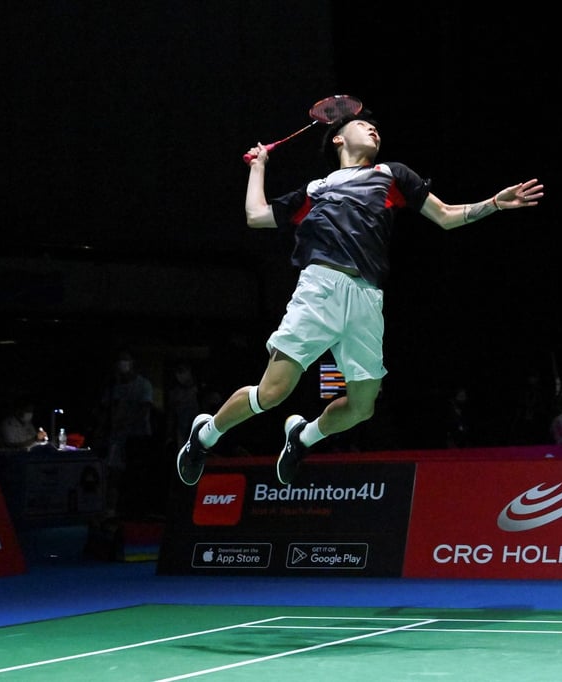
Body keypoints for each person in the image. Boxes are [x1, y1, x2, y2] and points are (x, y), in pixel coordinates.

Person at [177, 105, 543, 486]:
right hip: (320, 289)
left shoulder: (391, 175)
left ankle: (303, 436)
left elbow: (447, 216)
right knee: (272, 393)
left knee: (362, 407)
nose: (373, 129)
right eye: (362, 125)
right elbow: (257, 215)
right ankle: (203, 437)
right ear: (338, 138)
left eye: (375, 127)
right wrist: (259, 166)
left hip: (367, 298)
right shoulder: (316, 190)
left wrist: (495, 204)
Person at [96, 348, 155, 516]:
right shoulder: (113, 386)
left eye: (125, 360)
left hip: (138, 438)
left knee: (136, 476)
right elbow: (105, 410)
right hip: (116, 439)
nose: (122, 364)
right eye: (119, 360)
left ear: (132, 363)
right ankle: (111, 511)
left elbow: (144, 410)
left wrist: (126, 423)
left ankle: (136, 512)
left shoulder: (143, 385)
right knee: (114, 473)